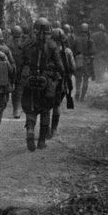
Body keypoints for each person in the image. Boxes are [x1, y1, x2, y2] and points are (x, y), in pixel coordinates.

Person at [16, 18, 64, 151]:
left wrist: (19, 79)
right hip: (46, 82)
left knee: (31, 108)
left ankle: (30, 130)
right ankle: (42, 141)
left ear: (34, 29)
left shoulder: (27, 44)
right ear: (49, 30)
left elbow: (20, 64)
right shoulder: (52, 45)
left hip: (30, 81)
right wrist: (61, 77)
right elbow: (60, 65)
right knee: (45, 110)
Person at [48, 28, 75, 139]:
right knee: (57, 105)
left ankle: (45, 130)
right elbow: (73, 68)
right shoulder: (67, 52)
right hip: (61, 81)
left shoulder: (46, 49)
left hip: (48, 81)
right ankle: (54, 129)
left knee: (46, 106)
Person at [0, 26, 15, 140]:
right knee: (0, 108)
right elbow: (12, 68)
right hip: (3, 85)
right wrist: (13, 81)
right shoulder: (5, 50)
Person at [73, 23, 95, 101]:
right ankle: (82, 97)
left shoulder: (76, 39)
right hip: (87, 61)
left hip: (78, 60)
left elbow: (72, 50)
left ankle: (78, 91)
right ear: (87, 30)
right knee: (86, 79)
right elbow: (93, 52)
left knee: (78, 78)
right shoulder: (90, 40)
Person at [7, 25, 24, 119]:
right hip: (19, 69)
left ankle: (16, 109)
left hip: (13, 69)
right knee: (19, 90)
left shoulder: (8, 43)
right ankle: (17, 109)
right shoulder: (23, 43)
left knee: (15, 90)